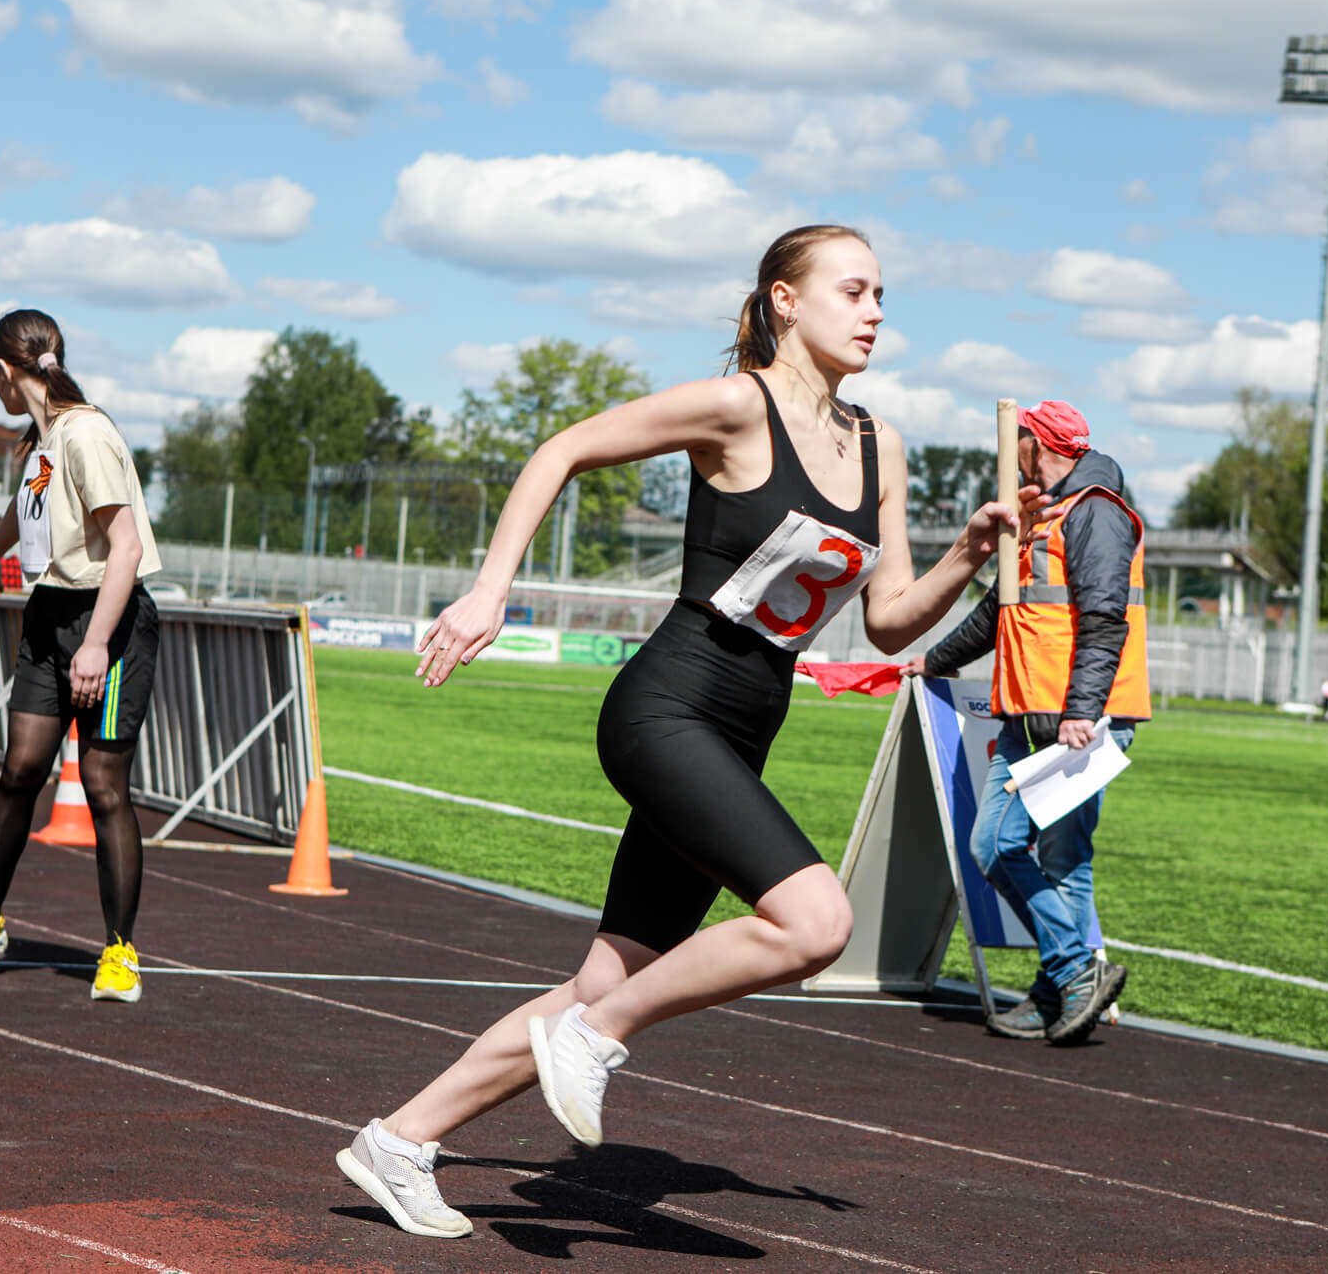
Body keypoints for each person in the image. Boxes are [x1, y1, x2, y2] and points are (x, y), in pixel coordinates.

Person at [332, 225, 1035, 1240]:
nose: (875, 309)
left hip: (748, 725)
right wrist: (490, 590)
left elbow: (885, 619)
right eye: (853, 289)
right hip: (666, 707)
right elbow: (563, 447)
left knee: (600, 977)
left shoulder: (879, 445)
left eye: (882, 292)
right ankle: (597, 1036)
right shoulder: (733, 406)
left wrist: (967, 551)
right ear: (785, 301)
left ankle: (398, 1140)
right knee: (813, 923)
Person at [901, 399, 1146, 1047]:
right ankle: (1062, 983)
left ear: (1038, 443)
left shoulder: (1094, 510)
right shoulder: (1044, 515)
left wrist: (1082, 711)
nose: (1010, 456)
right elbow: (997, 613)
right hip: (1029, 719)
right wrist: (933, 658)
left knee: (1023, 850)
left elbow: (1103, 620)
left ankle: (1064, 976)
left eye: (1018, 442)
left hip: (1077, 722)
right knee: (1022, 851)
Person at [0, 309, 164, 1003]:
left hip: (109, 617)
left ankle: (120, 951)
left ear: (7, 371)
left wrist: (96, 644)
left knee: (102, 787)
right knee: (20, 771)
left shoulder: (86, 432)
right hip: (47, 615)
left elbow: (124, 545)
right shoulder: (40, 438)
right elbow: (27, 504)